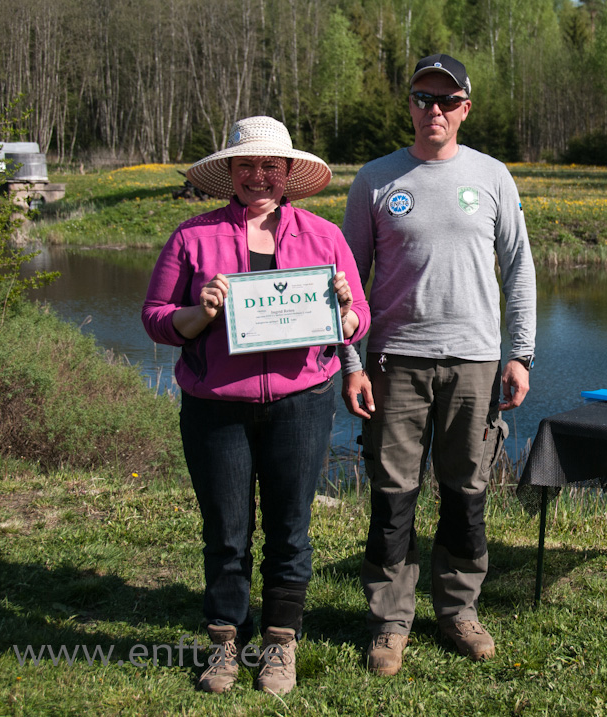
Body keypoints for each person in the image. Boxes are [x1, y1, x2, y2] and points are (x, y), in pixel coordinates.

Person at [141, 116, 370, 695]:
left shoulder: (323, 236)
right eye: (247, 166)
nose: (259, 177)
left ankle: (280, 645)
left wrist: (343, 313)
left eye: (271, 166)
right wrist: (201, 312)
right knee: (225, 529)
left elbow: (358, 319)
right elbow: (155, 318)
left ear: (289, 173)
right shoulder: (193, 237)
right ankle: (225, 645)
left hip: (302, 404)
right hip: (215, 407)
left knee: (291, 529)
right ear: (230, 174)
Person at [339, 53, 536, 676]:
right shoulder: (376, 180)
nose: (435, 111)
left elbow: (519, 270)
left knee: (467, 494)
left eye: (448, 101)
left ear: (465, 110)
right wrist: (351, 361)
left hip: (476, 363)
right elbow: (345, 283)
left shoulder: (494, 177)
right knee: (393, 496)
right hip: (395, 361)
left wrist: (520, 353)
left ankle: (458, 611)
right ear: (411, 105)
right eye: (424, 98)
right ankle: (390, 621)